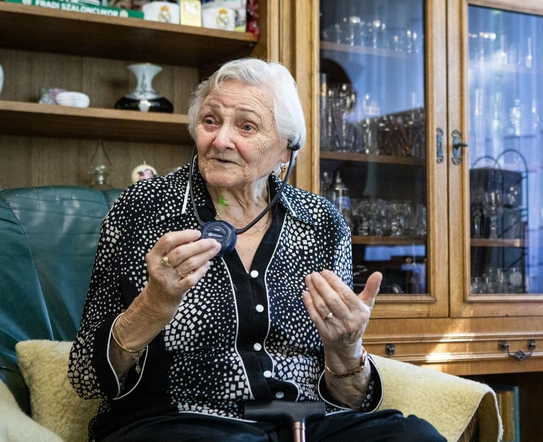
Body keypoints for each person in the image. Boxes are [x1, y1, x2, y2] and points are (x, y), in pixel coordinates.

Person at [68, 58, 444, 442]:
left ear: (286, 151)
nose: (220, 140)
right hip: (182, 422)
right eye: (211, 121)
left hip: (308, 424)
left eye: (246, 126)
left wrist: (345, 349)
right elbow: (85, 376)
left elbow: (350, 400)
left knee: (416, 437)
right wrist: (152, 306)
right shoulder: (142, 209)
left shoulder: (321, 223)